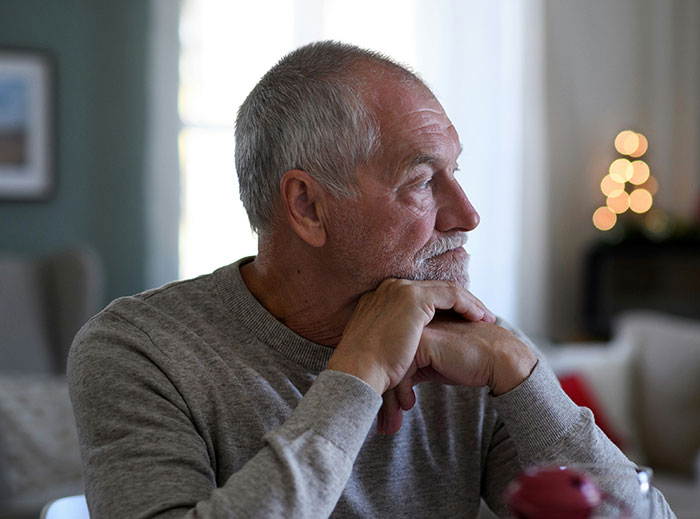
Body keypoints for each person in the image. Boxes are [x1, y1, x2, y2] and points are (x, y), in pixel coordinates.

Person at [68, 41, 675, 518]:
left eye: (455, 173)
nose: (466, 215)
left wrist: (525, 373)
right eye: (420, 182)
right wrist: (355, 375)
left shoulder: (470, 346)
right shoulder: (137, 350)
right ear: (307, 207)